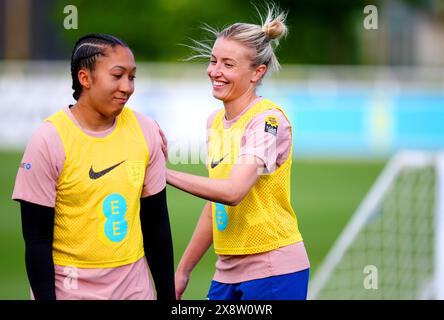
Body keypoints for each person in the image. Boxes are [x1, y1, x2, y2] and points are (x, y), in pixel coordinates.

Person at [12, 34, 175, 300]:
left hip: (134, 291)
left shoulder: (146, 130)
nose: (127, 87)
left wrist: (168, 297)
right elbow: (37, 241)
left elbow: (156, 224)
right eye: (117, 75)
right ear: (85, 78)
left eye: (132, 77)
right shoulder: (49, 139)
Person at [167, 5, 310, 300]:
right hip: (227, 268)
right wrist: (183, 270)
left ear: (257, 72)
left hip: (273, 268)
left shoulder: (268, 120)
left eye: (228, 65)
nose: (215, 71)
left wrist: (163, 172)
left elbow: (233, 192)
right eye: (213, 60)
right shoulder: (215, 122)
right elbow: (216, 204)